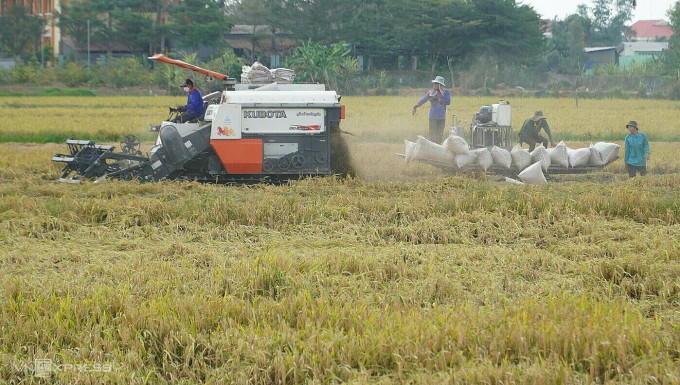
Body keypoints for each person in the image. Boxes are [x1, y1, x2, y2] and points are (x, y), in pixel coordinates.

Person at [412, 76, 451, 143]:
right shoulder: (431, 93)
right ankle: (431, 150)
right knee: (432, 135)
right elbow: (424, 99)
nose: (434, 85)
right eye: (434, 83)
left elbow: (448, 102)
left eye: (436, 83)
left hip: (441, 117)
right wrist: (415, 106)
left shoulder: (446, 92)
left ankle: (437, 150)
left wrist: (437, 99)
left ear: (440, 85)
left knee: (439, 135)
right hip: (432, 117)